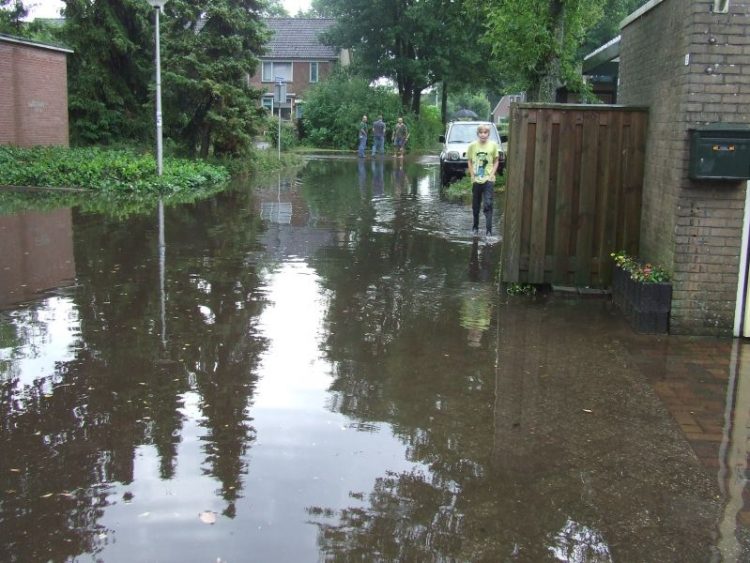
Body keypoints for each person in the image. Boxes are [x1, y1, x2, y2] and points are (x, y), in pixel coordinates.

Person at [467, 124, 499, 237]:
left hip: (488, 180)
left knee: (488, 204)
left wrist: (491, 174)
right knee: (476, 205)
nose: (483, 134)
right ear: (478, 134)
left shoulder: (493, 146)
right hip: (476, 180)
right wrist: (472, 175)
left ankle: (489, 231)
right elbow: (469, 161)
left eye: (485, 132)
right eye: (481, 132)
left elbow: (496, 161)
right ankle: (475, 228)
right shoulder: (472, 146)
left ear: (488, 134)